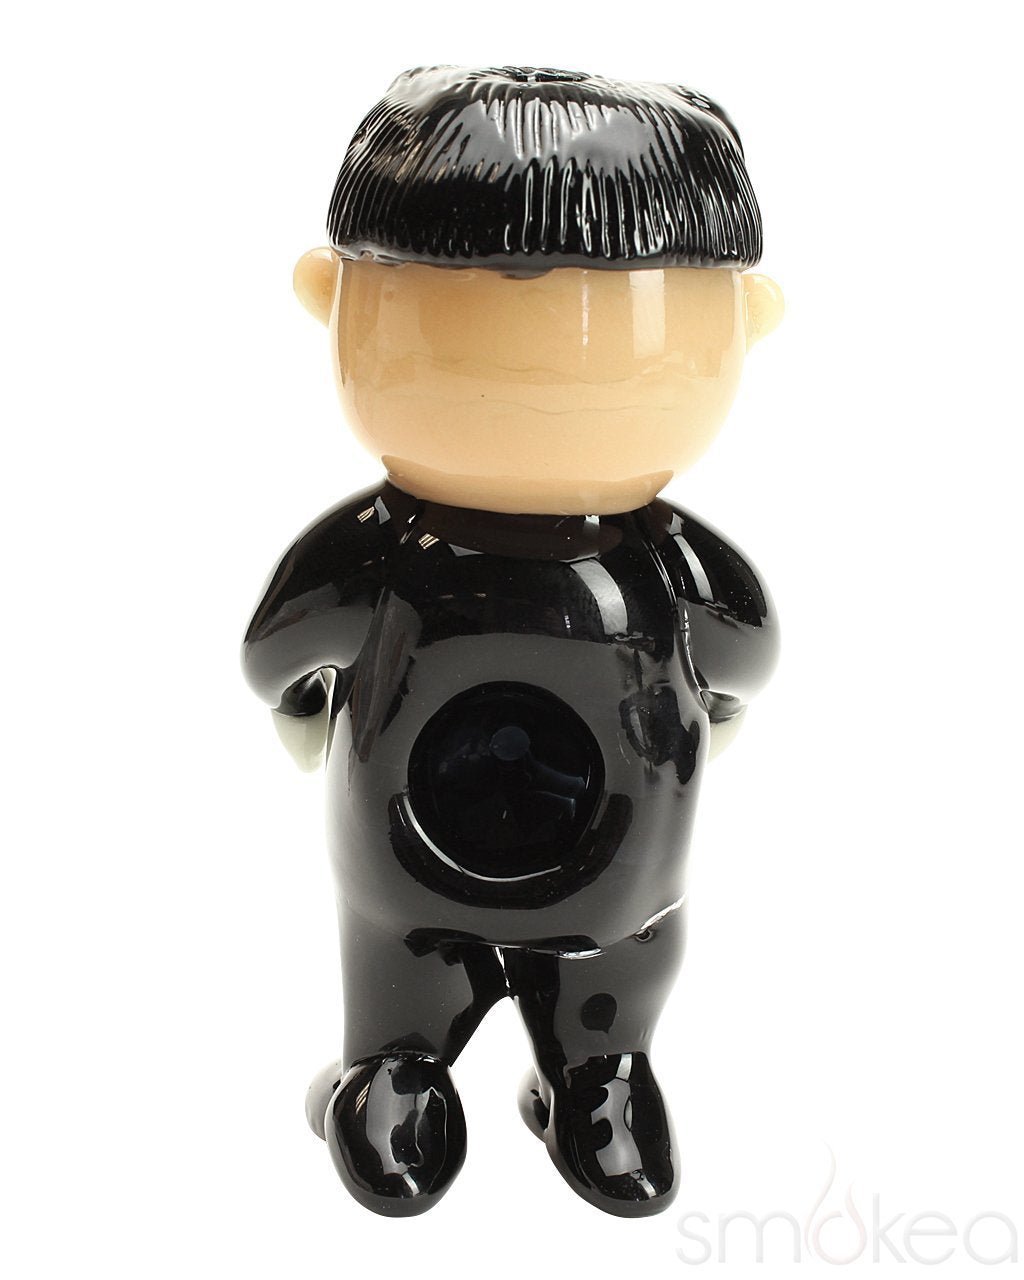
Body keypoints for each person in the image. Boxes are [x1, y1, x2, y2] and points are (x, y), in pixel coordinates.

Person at [242, 65, 783, 1218]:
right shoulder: (387, 553)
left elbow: (274, 661)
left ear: (749, 323)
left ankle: (595, 1078)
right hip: (411, 878)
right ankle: (399, 1070)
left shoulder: (657, 567)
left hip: (606, 888)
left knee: (609, 984)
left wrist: (299, 712)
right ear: (330, 298)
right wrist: (717, 714)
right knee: (409, 978)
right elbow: (743, 666)